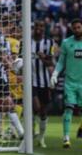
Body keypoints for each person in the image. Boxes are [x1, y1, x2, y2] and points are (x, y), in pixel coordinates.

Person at [50, 18, 82, 148]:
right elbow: (61, 61)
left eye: (79, 27)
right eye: (75, 28)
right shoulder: (66, 43)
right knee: (68, 109)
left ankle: (80, 129)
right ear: (71, 29)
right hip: (70, 83)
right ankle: (66, 137)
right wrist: (55, 74)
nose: (77, 30)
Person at [31, 20, 55, 148]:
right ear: (33, 28)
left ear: (44, 28)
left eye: (41, 26)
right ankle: (31, 132)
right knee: (36, 107)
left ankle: (41, 138)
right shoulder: (26, 42)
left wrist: (43, 57)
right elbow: (19, 60)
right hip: (31, 82)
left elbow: (50, 64)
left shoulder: (50, 43)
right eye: (37, 26)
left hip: (44, 82)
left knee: (43, 112)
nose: (39, 28)